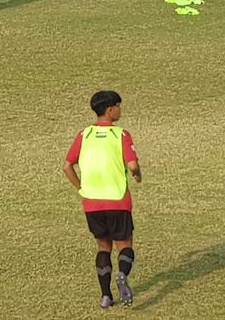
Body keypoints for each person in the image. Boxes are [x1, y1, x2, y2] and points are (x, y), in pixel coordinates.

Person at [63, 90, 142, 309]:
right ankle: (123, 275)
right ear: (110, 110)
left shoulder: (84, 135)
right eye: (118, 105)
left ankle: (106, 296)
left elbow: (67, 166)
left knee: (102, 246)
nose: (120, 109)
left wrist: (81, 188)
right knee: (124, 244)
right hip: (117, 200)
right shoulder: (121, 135)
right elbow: (133, 166)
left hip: (92, 203)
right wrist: (137, 175)